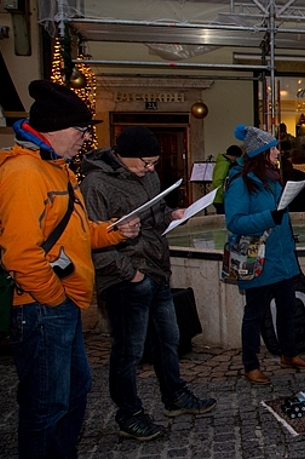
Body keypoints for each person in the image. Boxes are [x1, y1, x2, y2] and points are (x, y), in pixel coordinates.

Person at [0, 80, 140, 458]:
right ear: (53, 128)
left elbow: (73, 233)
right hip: (43, 307)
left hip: (59, 305)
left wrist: (111, 232)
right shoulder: (25, 174)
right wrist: (55, 296)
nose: (85, 137)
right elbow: (22, 255)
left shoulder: (55, 169)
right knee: (47, 405)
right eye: (80, 129)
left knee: (73, 393)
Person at [81, 126, 217, 441]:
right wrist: (131, 274)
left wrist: (173, 215)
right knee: (129, 350)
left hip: (156, 273)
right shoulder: (96, 185)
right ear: (124, 156)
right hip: (124, 280)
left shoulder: (148, 176)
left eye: (154, 163)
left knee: (168, 339)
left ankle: (174, 396)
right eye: (146, 163)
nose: (151, 169)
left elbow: (153, 218)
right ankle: (128, 414)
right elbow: (89, 239)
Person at [226, 124, 305, 386]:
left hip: (282, 258)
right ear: (263, 152)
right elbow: (235, 222)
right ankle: (250, 365)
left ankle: (289, 353)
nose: (278, 151)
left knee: (287, 308)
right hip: (259, 260)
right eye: (274, 148)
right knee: (255, 314)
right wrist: (269, 217)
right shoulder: (241, 182)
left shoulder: (273, 179)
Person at [211, 145, 242, 214]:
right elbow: (218, 181)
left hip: (219, 197)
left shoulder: (223, 162)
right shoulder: (224, 164)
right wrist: (224, 194)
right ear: (235, 156)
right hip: (220, 198)